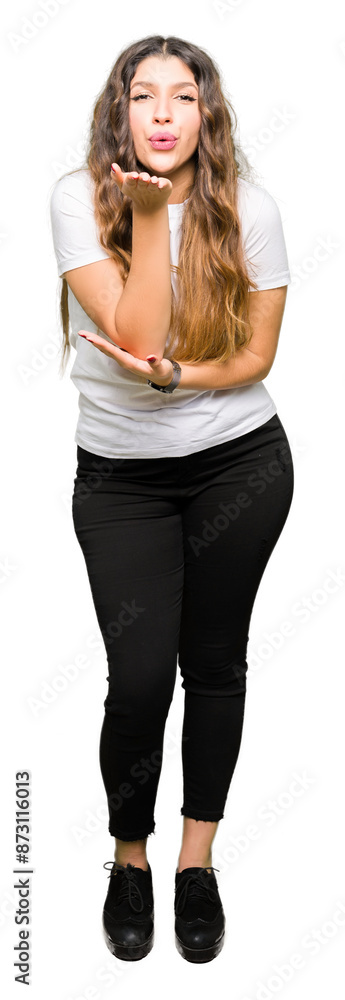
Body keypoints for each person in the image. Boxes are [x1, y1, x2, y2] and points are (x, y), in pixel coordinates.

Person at [49, 34, 294, 965]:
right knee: (141, 676)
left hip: (239, 464)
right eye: (141, 96)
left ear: (206, 114)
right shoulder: (79, 198)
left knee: (215, 666)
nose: (160, 114)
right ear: (120, 112)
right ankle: (129, 859)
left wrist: (178, 379)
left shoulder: (251, 209)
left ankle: (196, 863)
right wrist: (150, 219)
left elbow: (255, 359)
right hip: (119, 482)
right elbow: (134, 327)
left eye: (181, 97)